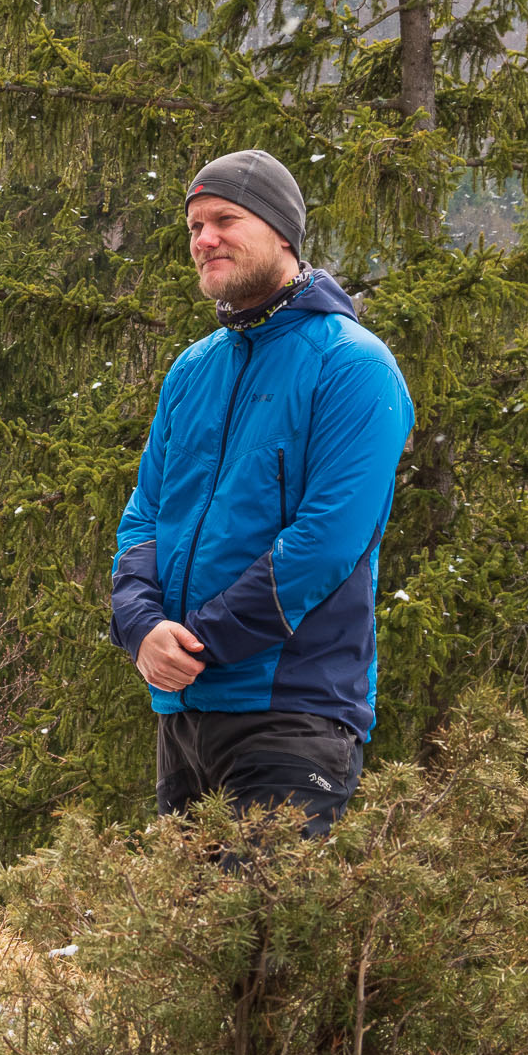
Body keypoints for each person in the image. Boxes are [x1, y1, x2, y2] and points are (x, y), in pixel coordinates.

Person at [110, 148, 414, 837]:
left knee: (256, 940)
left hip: (293, 718)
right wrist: (141, 625)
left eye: (224, 219)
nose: (204, 239)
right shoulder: (192, 371)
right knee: (182, 943)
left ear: (282, 232)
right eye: (193, 226)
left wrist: (196, 642)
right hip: (184, 718)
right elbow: (144, 520)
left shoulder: (353, 365)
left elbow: (326, 542)